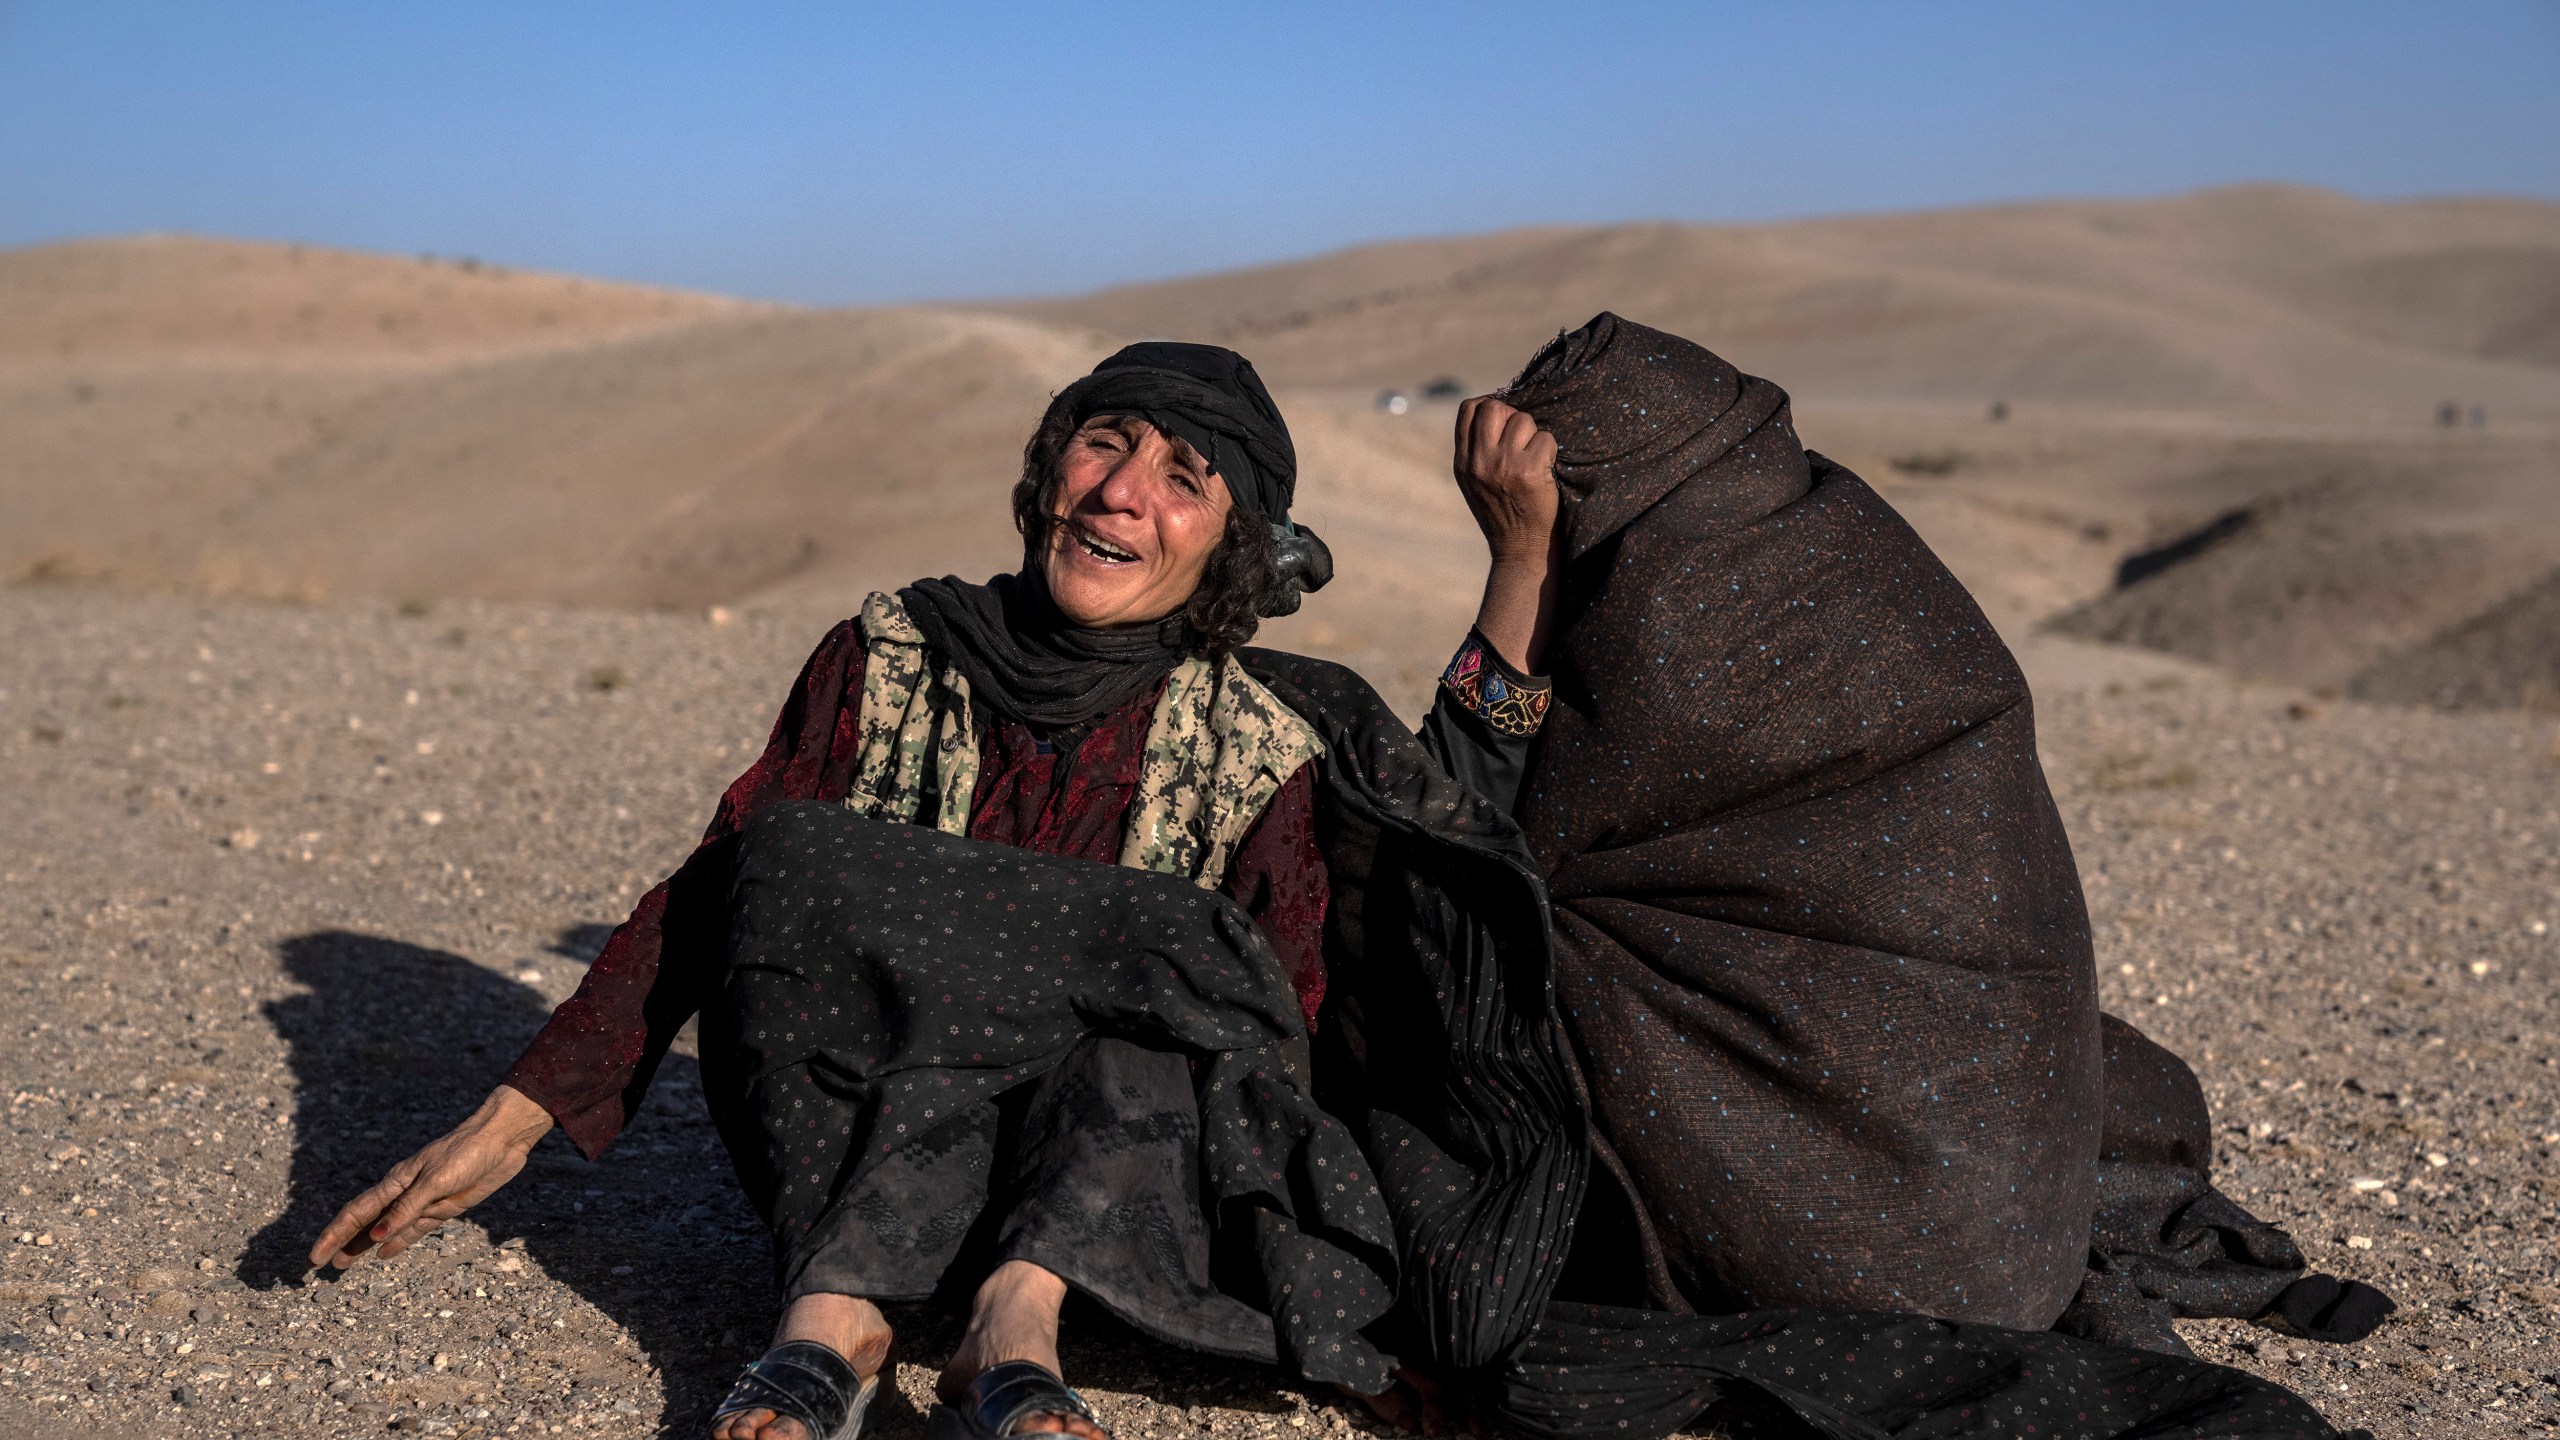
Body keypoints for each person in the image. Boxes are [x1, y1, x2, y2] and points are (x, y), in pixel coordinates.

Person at [315, 323, 2380, 1440]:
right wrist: (522, 1098)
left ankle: (1009, 1340)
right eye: (1099, 445)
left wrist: (1521, 562)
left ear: (1232, 542)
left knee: (1180, 1011)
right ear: (1044, 469)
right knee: (815, 881)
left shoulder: (1264, 724)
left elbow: (1422, 863)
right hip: (861, 1109)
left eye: (1181, 474)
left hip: (1098, 1155)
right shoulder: (886, 653)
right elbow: (720, 889)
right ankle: (830, 1324)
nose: (1122, 489)